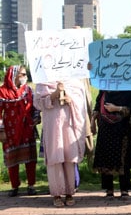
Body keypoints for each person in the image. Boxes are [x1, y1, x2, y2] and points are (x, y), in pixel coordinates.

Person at [34, 80, 87, 207]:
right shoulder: (43, 82)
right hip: (52, 125)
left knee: (70, 156)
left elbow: (80, 102)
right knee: (55, 158)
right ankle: (56, 195)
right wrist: (55, 93)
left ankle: (69, 193)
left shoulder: (74, 81)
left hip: (69, 124)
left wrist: (70, 99)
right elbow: (38, 103)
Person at [92, 90, 131, 198]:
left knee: (123, 159)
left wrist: (117, 108)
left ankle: (124, 189)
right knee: (106, 158)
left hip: (122, 128)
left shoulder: (128, 89)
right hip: (105, 128)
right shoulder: (104, 88)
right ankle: (109, 189)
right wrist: (93, 120)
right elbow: (97, 105)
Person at [0, 65, 39, 197]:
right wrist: (2, 131)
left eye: (25, 74)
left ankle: (31, 185)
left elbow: (35, 107)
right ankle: (14, 186)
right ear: (14, 75)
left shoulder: (28, 90)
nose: (24, 77)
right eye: (22, 74)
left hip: (27, 129)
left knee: (30, 159)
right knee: (12, 159)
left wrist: (36, 118)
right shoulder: (2, 92)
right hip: (9, 131)